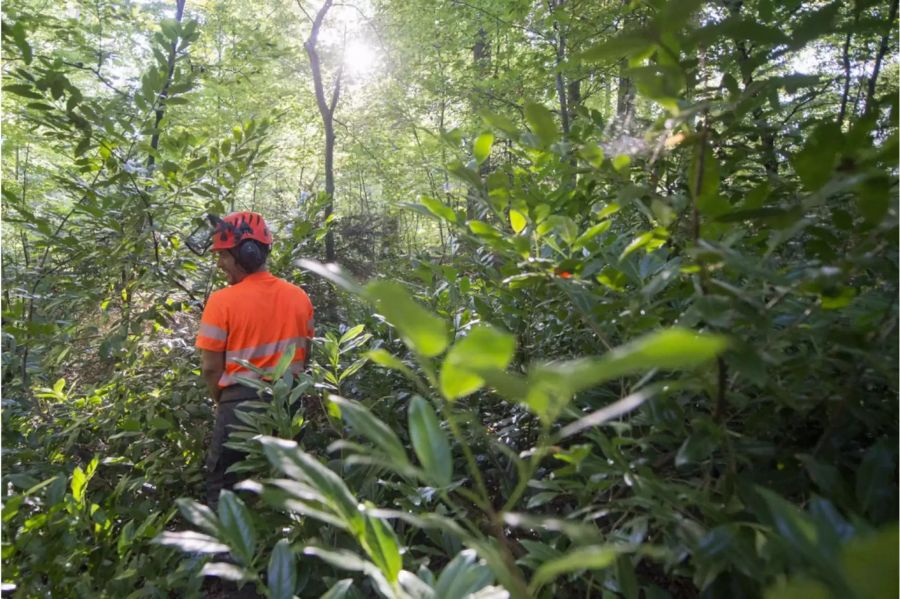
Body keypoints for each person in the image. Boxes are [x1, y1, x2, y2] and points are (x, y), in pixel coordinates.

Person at [194, 211, 314, 508]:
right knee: (284, 484)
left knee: (224, 489)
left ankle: (227, 553)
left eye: (223, 256)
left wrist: (223, 400)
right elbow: (306, 355)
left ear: (246, 253)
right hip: (288, 405)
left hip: (239, 405)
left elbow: (211, 367)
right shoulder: (300, 297)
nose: (220, 264)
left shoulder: (222, 301)